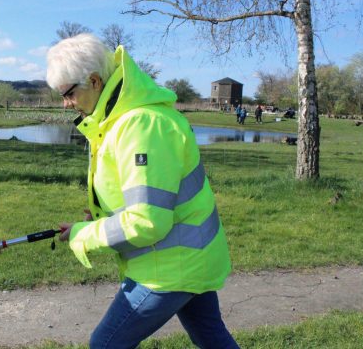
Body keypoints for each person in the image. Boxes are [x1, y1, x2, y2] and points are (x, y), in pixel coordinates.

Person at [47, 33, 238, 349]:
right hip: (190, 257)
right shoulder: (125, 118)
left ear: (94, 81)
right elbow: (147, 196)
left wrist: (85, 235)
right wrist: (97, 221)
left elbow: (146, 221)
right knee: (211, 337)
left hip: (171, 268)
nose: (66, 104)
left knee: (106, 344)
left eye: (67, 94)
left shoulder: (141, 125)